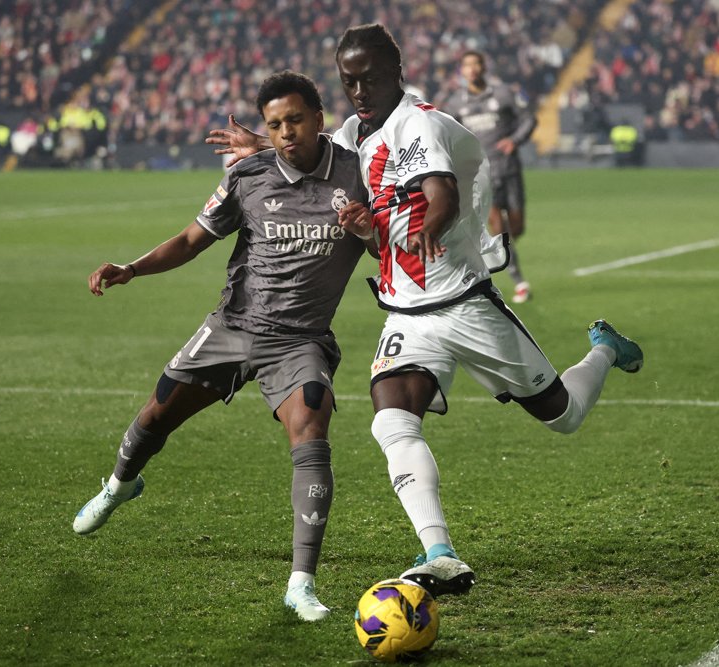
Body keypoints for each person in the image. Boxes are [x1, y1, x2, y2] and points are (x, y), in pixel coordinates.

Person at [207, 24, 644, 599]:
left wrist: (426, 227)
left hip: (464, 303)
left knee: (562, 415)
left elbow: (442, 193)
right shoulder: (358, 131)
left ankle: (605, 348)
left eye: (369, 78)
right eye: (348, 81)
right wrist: (263, 149)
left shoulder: (419, 124)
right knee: (390, 419)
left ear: (397, 72)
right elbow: (323, 150)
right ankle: (440, 553)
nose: (358, 90)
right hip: (407, 314)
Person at [73, 71, 373, 622]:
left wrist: (368, 230)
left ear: (320, 118)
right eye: (275, 125)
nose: (286, 133)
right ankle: (118, 485)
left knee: (312, 422)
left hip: (300, 340)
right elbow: (192, 240)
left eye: (296, 120)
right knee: (157, 411)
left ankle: (300, 584)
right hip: (234, 326)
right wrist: (131, 269)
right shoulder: (249, 176)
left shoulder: (359, 175)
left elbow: (387, 249)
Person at [444, 50, 537, 304]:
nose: (472, 69)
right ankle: (519, 280)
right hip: (480, 176)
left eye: (476, 64)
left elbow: (529, 119)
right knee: (498, 227)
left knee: (516, 227)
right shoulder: (455, 105)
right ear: (461, 71)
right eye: (467, 65)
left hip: (509, 169)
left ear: (484, 67)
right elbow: (447, 135)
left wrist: (515, 140)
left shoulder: (503, 94)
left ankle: (503, 253)